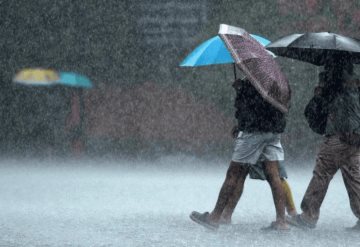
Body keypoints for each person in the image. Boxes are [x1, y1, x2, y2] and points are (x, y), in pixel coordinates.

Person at [190, 77, 289, 230]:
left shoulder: (254, 82)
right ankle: (281, 221)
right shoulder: (279, 81)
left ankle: (215, 217)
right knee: (274, 175)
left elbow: (248, 108)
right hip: (274, 131)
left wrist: (241, 90)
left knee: (234, 174)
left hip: (253, 132)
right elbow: (282, 106)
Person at [288, 58, 360, 230]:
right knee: (354, 178)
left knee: (322, 173)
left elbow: (321, 109)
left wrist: (320, 91)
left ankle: (308, 216)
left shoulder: (335, 84)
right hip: (355, 138)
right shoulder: (355, 84)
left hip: (339, 135)